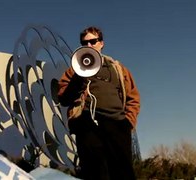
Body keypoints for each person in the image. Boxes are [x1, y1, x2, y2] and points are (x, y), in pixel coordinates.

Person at [58, 26, 140, 180]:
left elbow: (133, 97)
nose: (89, 46)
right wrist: (78, 77)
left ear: (101, 43)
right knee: (95, 172)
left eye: (93, 41)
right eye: (84, 43)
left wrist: (128, 122)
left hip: (117, 124)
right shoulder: (73, 70)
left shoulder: (118, 68)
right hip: (88, 124)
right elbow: (63, 98)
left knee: (123, 172)